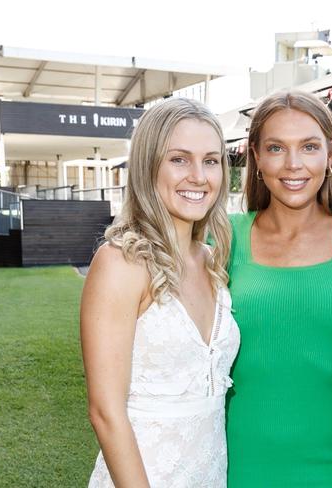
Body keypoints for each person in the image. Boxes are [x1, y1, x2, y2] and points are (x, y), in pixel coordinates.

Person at [81, 98, 239, 487]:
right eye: (179, 159)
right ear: (148, 165)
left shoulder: (212, 262)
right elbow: (105, 411)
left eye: (211, 160)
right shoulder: (120, 263)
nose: (199, 176)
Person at [225, 90, 332, 487]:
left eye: (308, 146)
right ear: (255, 156)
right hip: (233, 462)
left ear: (330, 153)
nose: (293, 164)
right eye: (276, 148)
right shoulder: (223, 238)